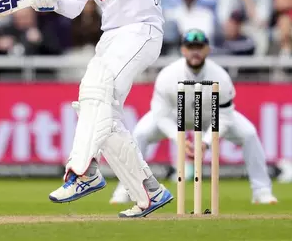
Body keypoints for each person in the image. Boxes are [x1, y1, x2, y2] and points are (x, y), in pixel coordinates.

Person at [26, 0, 171, 218]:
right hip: (111, 39)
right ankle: (149, 191)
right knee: (97, 110)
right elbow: (73, 7)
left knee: (97, 93)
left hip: (142, 30)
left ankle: (82, 171)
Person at [109, 29, 278, 205]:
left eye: (199, 47)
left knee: (249, 134)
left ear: (207, 49)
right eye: (190, 47)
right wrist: (179, 138)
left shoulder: (221, 77)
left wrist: (205, 142)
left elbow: (225, 117)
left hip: (210, 117)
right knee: (140, 134)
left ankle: (262, 191)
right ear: (183, 50)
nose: (195, 51)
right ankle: (125, 189)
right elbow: (160, 116)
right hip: (174, 117)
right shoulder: (168, 76)